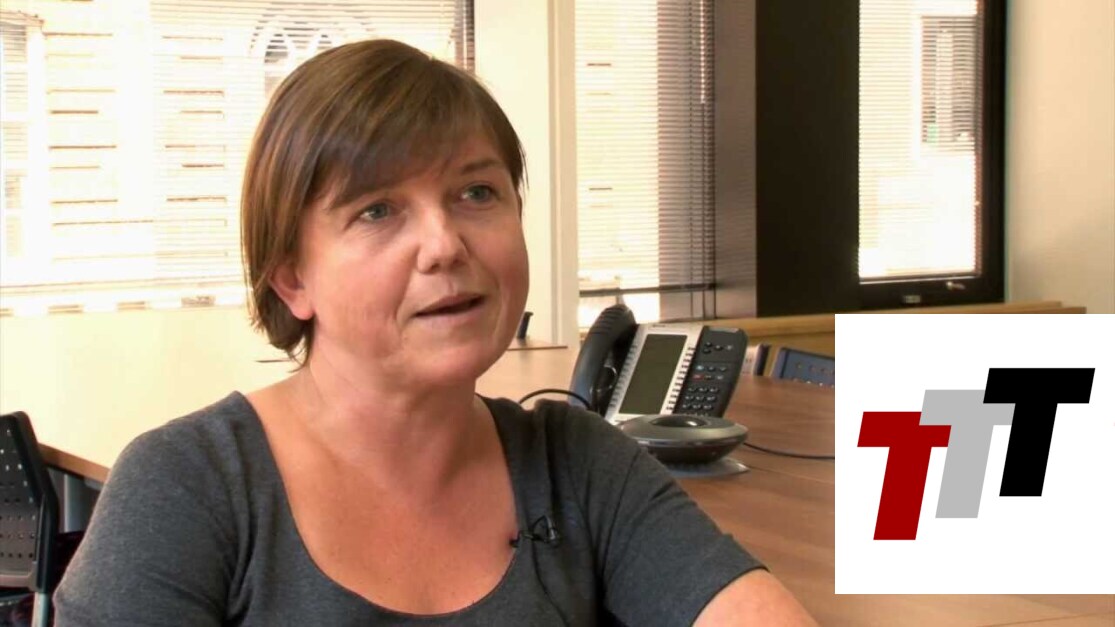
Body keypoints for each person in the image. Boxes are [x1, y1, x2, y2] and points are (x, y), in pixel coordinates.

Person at [54, 39, 816, 625]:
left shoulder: (580, 464)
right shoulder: (186, 486)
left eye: (477, 192)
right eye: (376, 210)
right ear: (292, 278)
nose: (445, 244)